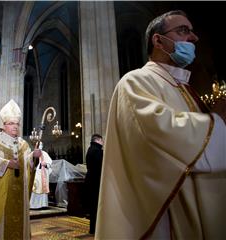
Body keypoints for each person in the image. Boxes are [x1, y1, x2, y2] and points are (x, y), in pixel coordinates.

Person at [96, 10, 226, 239]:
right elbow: (160, 138)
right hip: (170, 220)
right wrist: (218, 122)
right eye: (183, 30)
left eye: (193, 32)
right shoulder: (135, 82)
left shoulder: (184, 87)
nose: (194, 38)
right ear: (158, 40)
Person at [0, 99, 41, 239]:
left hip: (20, 193)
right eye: (11, 123)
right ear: (4, 125)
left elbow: (28, 166)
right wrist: (6, 164)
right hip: (0, 192)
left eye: (17, 124)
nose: (15, 127)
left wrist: (33, 158)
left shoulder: (23, 144)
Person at [84, 134, 103, 234]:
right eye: (102, 141)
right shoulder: (98, 151)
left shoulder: (90, 149)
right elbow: (101, 167)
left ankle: (93, 229)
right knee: (97, 206)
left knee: (93, 206)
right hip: (96, 181)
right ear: (98, 140)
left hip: (90, 180)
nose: (103, 143)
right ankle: (97, 229)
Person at [30, 142, 53, 209]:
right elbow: (28, 161)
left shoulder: (45, 154)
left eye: (41, 145)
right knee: (34, 188)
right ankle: (33, 205)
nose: (40, 146)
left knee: (41, 187)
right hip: (34, 174)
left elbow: (49, 164)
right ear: (36, 146)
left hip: (42, 174)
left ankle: (42, 204)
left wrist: (45, 164)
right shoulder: (32, 153)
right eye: (39, 145)